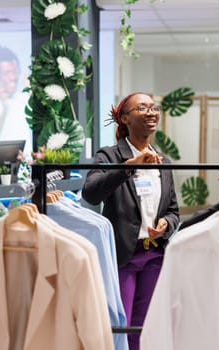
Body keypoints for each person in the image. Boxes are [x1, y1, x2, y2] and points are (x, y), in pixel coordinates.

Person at [82, 92, 180, 350]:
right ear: (125, 118)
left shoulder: (163, 161)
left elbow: (172, 210)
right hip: (122, 255)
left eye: (153, 107)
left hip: (154, 256)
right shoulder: (110, 156)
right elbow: (91, 192)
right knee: (119, 323)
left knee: (145, 325)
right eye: (142, 108)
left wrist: (166, 226)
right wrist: (129, 166)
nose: (151, 112)